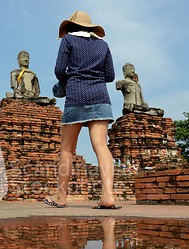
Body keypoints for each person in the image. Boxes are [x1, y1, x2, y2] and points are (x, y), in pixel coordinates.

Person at [44, 10, 121, 209]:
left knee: (67, 149)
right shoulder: (103, 45)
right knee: (101, 146)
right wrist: (93, 76)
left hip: (76, 95)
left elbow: (59, 70)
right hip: (100, 96)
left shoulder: (68, 40)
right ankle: (108, 195)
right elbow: (110, 75)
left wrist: (71, 80)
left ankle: (61, 197)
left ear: (70, 27)